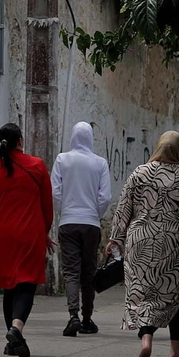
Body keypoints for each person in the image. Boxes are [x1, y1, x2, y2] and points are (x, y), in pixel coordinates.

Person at [107, 130, 179, 357]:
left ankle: (146, 341)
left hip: (140, 242)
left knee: (143, 294)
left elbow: (123, 210)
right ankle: (175, 351)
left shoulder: (139, 173)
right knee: (174, 295)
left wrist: (115, 239)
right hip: (176, 245)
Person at [0, 122, 53, 357]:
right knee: (27, 283)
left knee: (10, 285)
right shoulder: (37, 166)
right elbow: (47, 206)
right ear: (20, 141)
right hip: (31, 232)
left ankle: (12, 342)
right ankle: (16, 328)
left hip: (3, 235)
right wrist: (45, 231)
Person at [51, 121, 112, 337]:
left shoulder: (62, 159)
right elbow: (105, 197)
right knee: (89, 272)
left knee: (71, 272)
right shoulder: (100, 163)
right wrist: (95, 214)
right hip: (91, 223)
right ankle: (87, 318)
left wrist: (63, 212)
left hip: (68, 222)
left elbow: (55, 192)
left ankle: (73, 315)